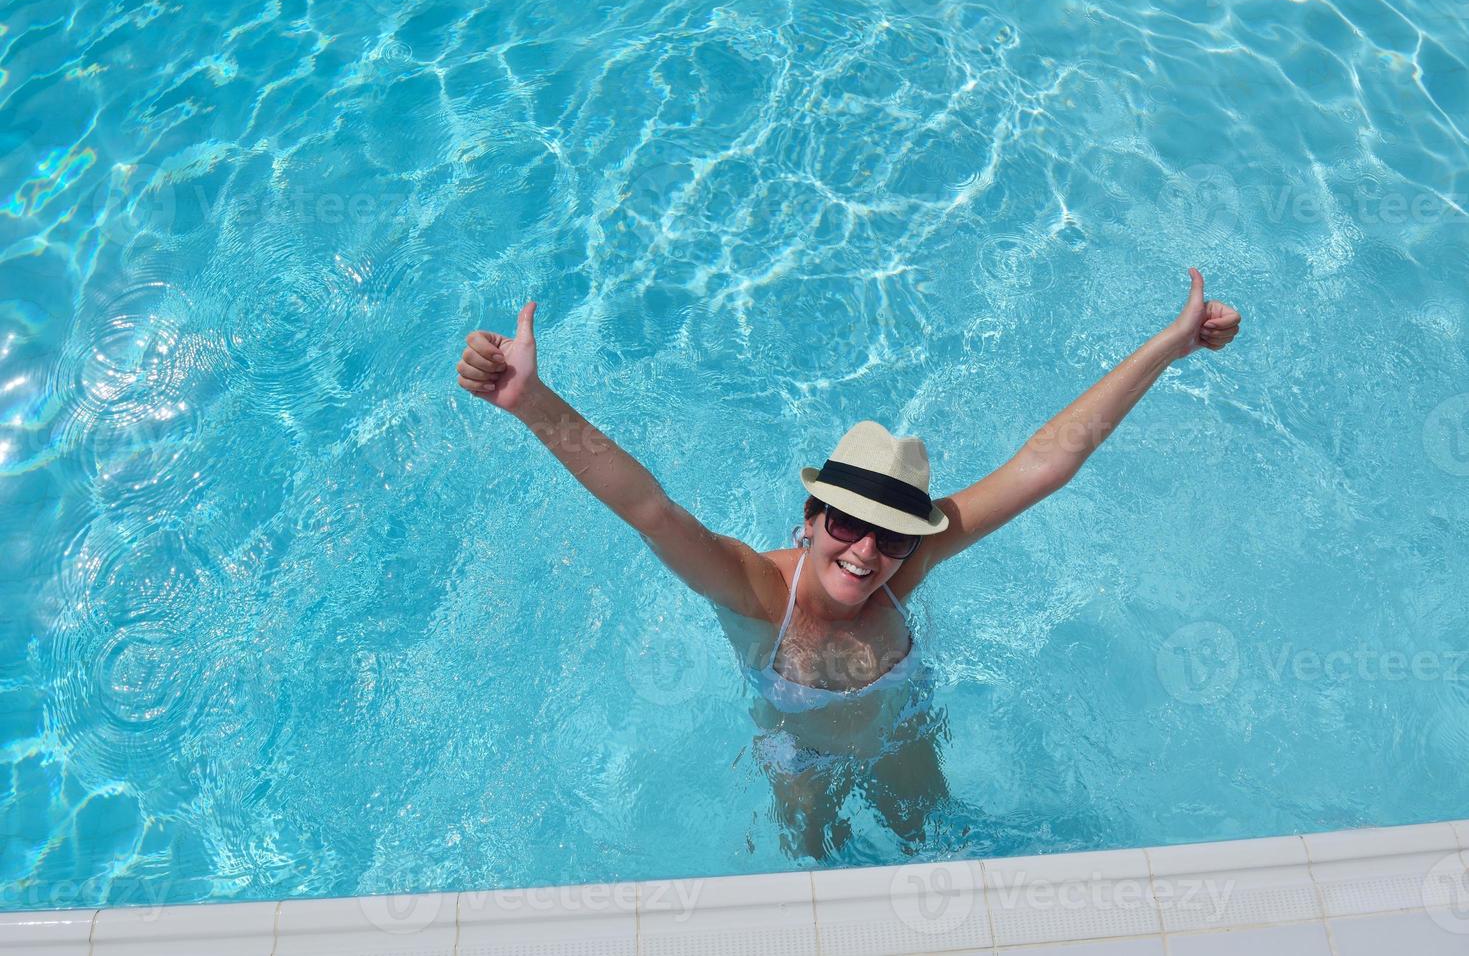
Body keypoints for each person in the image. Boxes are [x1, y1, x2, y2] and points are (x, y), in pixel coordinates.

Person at [455, 267, 1242, 860]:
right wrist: (533, 402)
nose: (866, 553)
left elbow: (1043, 464)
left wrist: (1168, 347)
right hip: (800, 754)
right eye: (846, 524)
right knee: (825, 875)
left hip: (900, 733)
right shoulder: (758, 590)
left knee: (935, 846)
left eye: (892, 535)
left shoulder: (909, 567)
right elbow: (649, 508)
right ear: (809, 520)